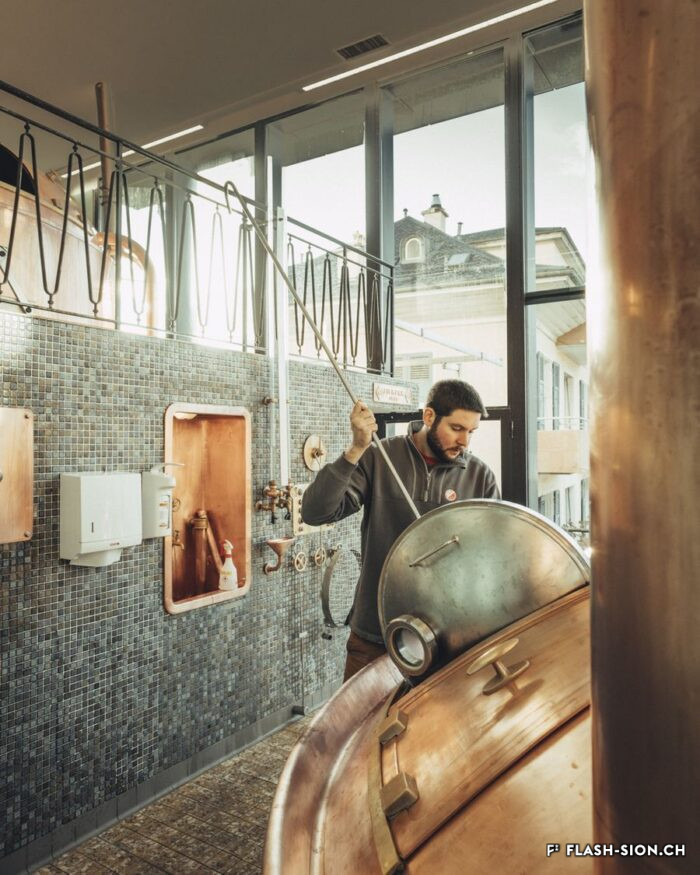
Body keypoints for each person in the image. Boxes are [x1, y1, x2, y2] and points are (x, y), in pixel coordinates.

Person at [302, 379, 500, 681]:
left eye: (471, 432)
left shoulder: (479, 476)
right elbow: (316, 512)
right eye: (457, 428)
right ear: (430, 416)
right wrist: (356, 448)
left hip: (446, 641)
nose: (465, 442)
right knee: (362, 727)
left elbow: (490, 561)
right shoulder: (379, 457)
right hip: (375, 634)